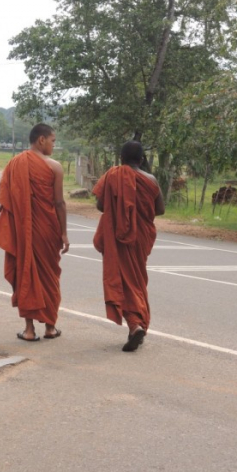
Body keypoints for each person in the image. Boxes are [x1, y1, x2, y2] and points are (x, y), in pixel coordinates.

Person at [0, 123, 69, 342]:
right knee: (49, 277)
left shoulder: (14, 164)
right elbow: (59, 203)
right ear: (41, 140)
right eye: (53, 140)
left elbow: (8, 201)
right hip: (48, 230)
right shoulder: (55, 167)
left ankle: (29, 330)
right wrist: (64, 233)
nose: (54, 145)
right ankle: (51, 327)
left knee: (26, 272)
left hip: (24, 231)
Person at [92, 141, 165, 352]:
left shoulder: (112, 176)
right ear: (142, 159)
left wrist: (120, 207)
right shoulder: (151, 180)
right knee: (137, 280)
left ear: (121, 158)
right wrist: (137, 211)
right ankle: (138, 324)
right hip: (140, 237)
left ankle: (135, 326)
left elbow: (100, 205)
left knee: (121, 281)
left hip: (117, 237)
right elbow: (160, 210)